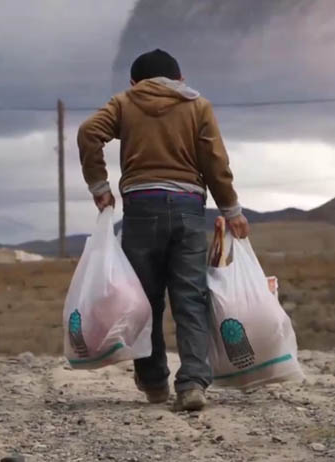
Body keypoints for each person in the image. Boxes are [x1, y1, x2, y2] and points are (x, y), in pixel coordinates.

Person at [77, 49, 250, 411]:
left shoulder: (124, 103)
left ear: (134, 82)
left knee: (145, 300)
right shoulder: (197, 106)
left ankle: (154, 382)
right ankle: (193, 383)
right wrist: (231, 209)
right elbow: (215, 161)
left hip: (141, 208)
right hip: (187, 208)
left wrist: (99, 186)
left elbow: (88, 131)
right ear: (180, 79)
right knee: (191, 298)